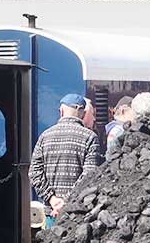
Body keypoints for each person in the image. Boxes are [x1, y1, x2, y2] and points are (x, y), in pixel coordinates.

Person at [29, 94, 100, 223]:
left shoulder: (45, 136)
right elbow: (89, 175)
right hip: (77, 213)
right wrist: (66, 201)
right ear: (83, 114)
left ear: (61, 111)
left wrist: (52, 199)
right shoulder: (90, 137)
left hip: (51, 211)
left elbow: (34, 172)